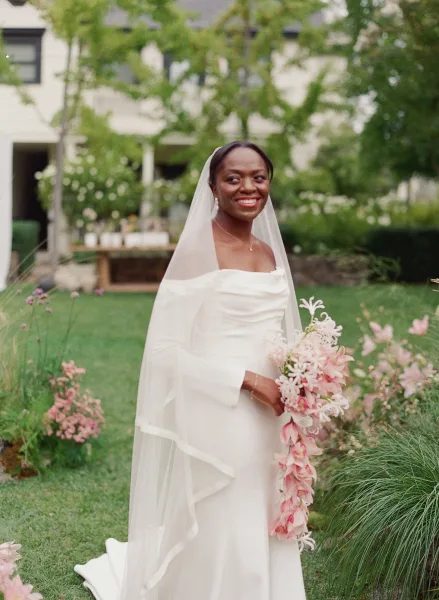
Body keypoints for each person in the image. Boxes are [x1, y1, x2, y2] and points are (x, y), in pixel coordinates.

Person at [74, 141, 306, 600]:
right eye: (233, 178)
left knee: (268, 503)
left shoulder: (268, 250)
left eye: (258, 177)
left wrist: (304, 377)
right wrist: (245, 380)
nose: (248, 187)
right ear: (213, 187)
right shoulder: (200, 251)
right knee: (230, 503)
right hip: (222, 404)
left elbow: (277, 333)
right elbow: (163, 352)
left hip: (275, 407)